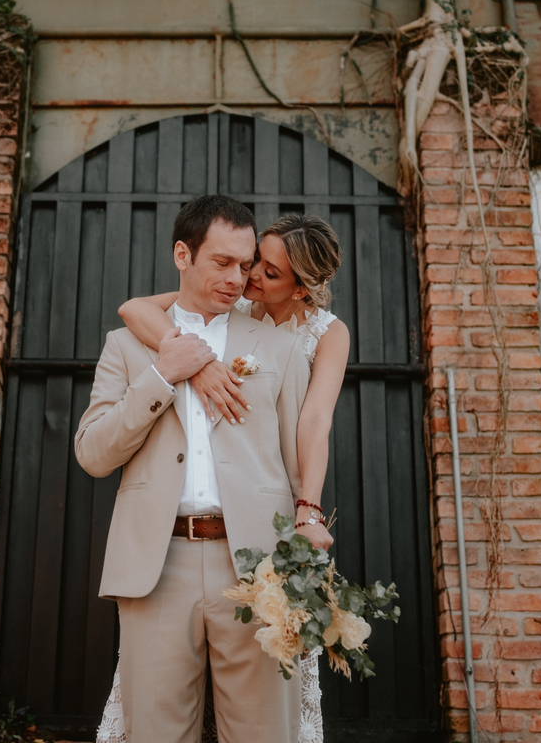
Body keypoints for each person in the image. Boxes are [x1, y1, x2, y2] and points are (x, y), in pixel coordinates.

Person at [95, 213, 349, 743]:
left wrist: (309, 511)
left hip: (255, 562)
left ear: (299, 287)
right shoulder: (130, 341)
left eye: (254, 268)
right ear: (184, 256)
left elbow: (309, 428)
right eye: (232, 262)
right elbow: (95, 453)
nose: (242, 279)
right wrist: (175, 367)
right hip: (158, 563)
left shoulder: (288, 342)